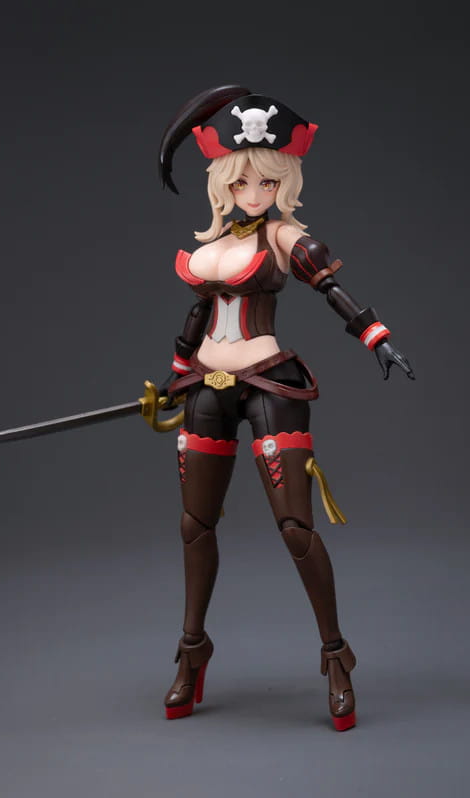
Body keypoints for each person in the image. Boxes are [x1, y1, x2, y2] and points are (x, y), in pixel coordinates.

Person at [158, 85, 414, 731]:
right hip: (206, 384)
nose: (254, 192)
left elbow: (329, 285)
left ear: (284, 182)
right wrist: (175, 376)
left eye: (267, 181)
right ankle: (193, 649)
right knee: (194, 525)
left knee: (296, 528)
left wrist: (375, 335)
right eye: (242, 181)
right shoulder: (216, 240)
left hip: (268, 382)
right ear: (223, 182)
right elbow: (198, 315)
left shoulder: (283, 236)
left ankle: (336, 655)